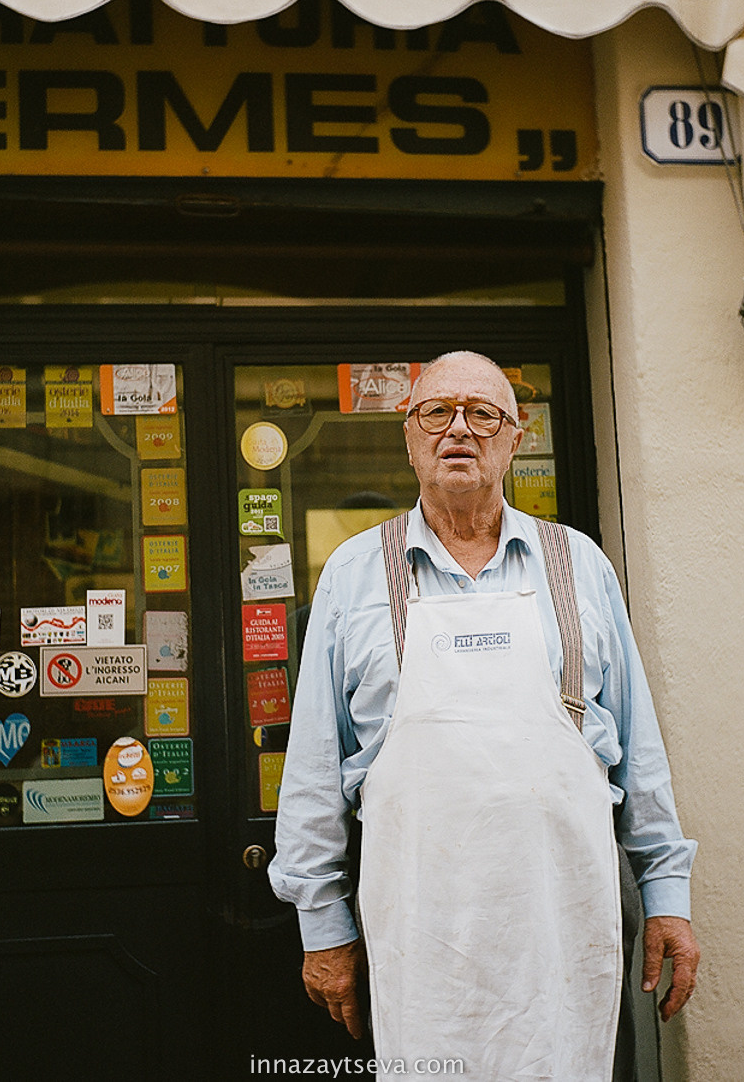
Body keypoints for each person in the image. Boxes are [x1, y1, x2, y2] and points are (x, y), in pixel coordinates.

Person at [269, 351, 699, 1080]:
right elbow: (312, 771)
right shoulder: (352, 574)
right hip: (422, 936)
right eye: (437, 412)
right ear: (409, 437)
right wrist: (324, 926)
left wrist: (667, 893)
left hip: (564, 929)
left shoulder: (580, 564)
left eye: (483, 414)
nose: (458, 430)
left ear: (515, 437)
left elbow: (638, 747)